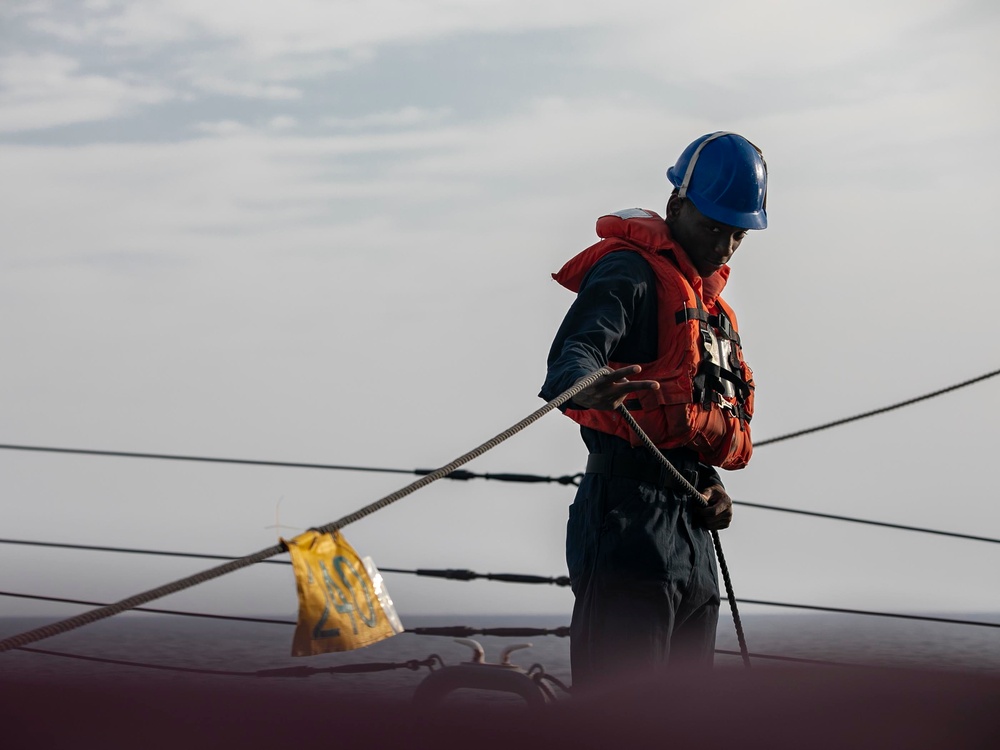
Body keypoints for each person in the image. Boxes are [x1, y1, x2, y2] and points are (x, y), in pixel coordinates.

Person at [539, 131, 767, 687]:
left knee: (684, 727)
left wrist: (710, 487)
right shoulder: (630, 272)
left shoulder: (713, 314)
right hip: (626, 518)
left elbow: (693, 420)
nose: (723, 247)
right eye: (713, 228)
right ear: (674, 208)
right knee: (617, 721)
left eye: (736, 235)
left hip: (693, 534)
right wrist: (583, 383)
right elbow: (577, 351)